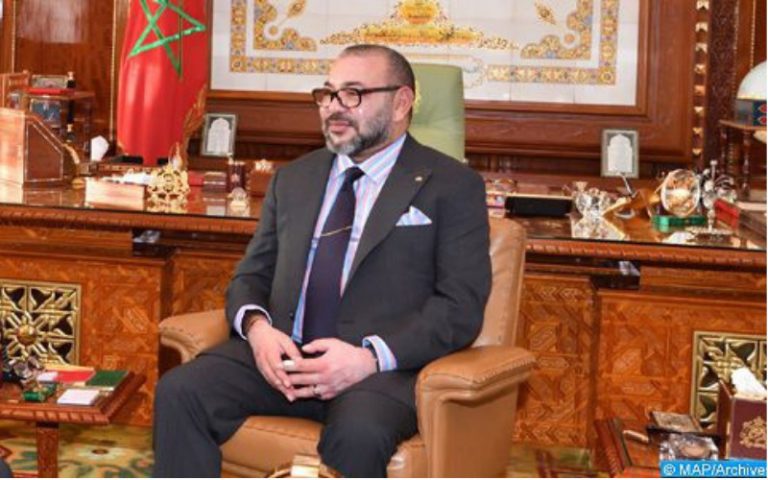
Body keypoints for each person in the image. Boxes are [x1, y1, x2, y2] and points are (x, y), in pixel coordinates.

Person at [153, 44, 492, 478]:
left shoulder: (452, 185)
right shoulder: (295, 178)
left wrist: (369, 357)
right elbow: (252, 275)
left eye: (353, 93)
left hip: (378, 370)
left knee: (358, 436)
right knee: (181, 391)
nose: (334, 106)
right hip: (285, 357)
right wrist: (258, 330)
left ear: (401, 103)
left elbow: (459, 306)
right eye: (328, 94)